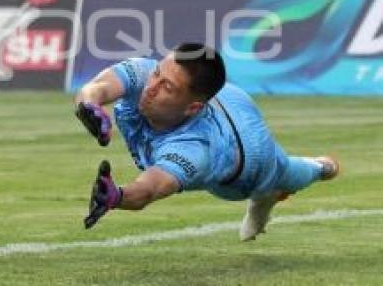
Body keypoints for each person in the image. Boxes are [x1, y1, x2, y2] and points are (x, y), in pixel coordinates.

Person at [73, 43, 339, 240]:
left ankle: (319, 168)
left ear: (192, 108)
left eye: (167, 87)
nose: (150, 88)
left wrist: (116, 196)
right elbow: (97, 86)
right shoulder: (145, 73)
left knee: (283, 172)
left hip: (249, 158)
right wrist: (89, 104)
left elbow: (150, 188)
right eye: (157, 74)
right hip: (226, 101)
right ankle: (276, 191)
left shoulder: (196, 149)